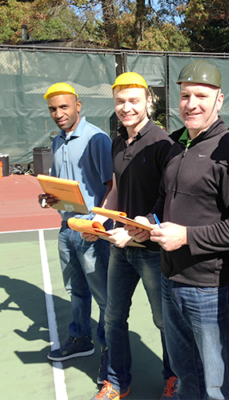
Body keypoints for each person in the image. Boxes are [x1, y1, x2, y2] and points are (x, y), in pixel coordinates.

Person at [127, 60, 229, 400]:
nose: (192, 104)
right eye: (185, 96)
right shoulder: (176, 145)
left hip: (210, 289)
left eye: (201, 95)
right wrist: (149, 221)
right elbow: (164, 199)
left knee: (219, 379)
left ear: (219, 101)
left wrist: (187, 237)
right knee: (185, 372)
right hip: (169, 280)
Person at [84, 72, 177, 400]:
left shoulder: (163, 143)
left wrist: (137, 232)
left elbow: (172, 201)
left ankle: (174, 377)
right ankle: (116, 382)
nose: (126, 107)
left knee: (163, 321)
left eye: (133, 100)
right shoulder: (117, 141)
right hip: (120, 247)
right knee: (112, 317)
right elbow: (118, 191)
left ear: (148, 102)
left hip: (151, 250)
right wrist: (100, 218)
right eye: (120, 101)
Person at [38, 83, 113, 383]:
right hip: (66, 228)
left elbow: (111, 187)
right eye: (53, 109)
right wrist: (47, 199)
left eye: (64, 107)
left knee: (105, 298)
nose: (59, 114)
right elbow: (59, 187)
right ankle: (81, 338)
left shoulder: (97, 139)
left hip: (92, 232)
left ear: (78, 106)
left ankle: (110, 354)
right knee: (75, 290)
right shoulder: (57, 141)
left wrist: (97, 225)